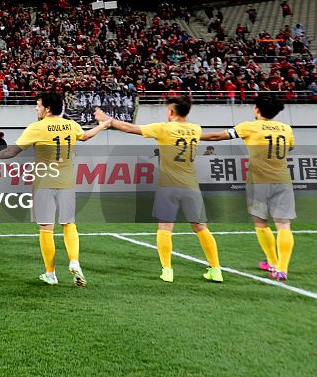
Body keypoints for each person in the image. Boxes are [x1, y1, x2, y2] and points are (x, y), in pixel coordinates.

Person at [0, 92, 110, 287]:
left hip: (43, 183)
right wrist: (103, 124)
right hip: (66, 182)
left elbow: (12, 152)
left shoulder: (37, 128)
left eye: (38, 105)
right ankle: (74, 260)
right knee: (68, 224)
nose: (36, 108)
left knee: (46, 228)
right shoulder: (71, 125)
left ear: (48, 108)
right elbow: (85, 136)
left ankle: (51, 274)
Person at [96, 96, 223, 284]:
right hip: (191, 186)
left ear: (171, 112)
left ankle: (167, 270)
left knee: (165, 227)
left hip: (169, 186)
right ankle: (216, 270)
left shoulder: (164, 129)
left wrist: (106, 118)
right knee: (201, 227)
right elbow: (211, 136)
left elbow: (130, 128)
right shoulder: (195, 129)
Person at [200, 96, 295, 280]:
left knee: (261, 222)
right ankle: (281, 268)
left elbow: (217, 136)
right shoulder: (286, 129)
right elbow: (289, 147)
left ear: (257, 110)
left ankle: (272, 261)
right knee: (284, 225)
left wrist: (191, 135)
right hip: (283, 181)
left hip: (258, 182)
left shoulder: (249, 126)